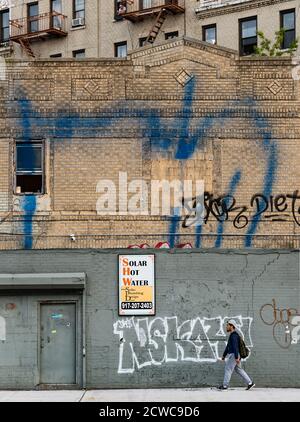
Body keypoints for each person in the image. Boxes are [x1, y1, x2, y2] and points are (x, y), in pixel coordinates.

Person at [218, 319, 255, 390]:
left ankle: (225, 385)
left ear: (232, 326)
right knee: (238, 369)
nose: (226, 327)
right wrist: (224, 355)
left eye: (228, 325)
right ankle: (250, 383)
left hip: (234, 355)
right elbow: (228, 347)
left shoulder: (234, 336)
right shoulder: (232, 335)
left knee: (228, 368)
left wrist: (236, 357)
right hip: (236, 355)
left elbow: (235, 347)